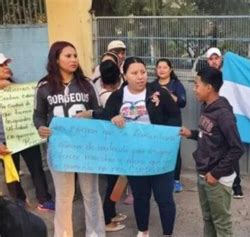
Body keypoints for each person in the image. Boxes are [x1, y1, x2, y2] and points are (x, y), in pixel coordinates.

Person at [33, 41, 105, 237]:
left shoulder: (87, 84)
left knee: (90, 193)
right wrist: (40, 127)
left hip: (86, 148)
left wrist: (89, 113)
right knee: (64, 196)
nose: (73, 60)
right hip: (60, 149)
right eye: (68, 56)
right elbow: (39, 115)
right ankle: (63, 234)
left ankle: (95, 233)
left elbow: (100, 111)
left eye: (75, 56)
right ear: (56, 59)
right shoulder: (44, 86)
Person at [104, 57, 180, 237]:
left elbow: (175, 118)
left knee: (164, 198)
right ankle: (143, 231)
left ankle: (167, 233)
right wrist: (112, 118)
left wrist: (165, 140)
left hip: (159, 157)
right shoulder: (117, 97)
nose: (140, 77)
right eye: (134, 73)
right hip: (134, 158)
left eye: (143, 72)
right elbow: (106, 115)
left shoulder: (159, 93)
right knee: (140, 197)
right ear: (125, 75)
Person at [180, 66, 244, 237]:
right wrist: (191, 134)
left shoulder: (223, 114)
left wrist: (215, 174)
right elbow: (207, 135)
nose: (194, 89)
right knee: (208, 219)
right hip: (203, 173)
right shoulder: (206, 107)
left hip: (217, 178)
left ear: (209, 88)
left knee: (221, 224)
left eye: (196, 85)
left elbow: (237, 148)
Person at [0, 53, 55, 211]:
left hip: (25, 137)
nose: (6, 68)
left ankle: (44, 199)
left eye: (6, 64)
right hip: (5, 141)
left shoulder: (18, 87)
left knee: (37, 168)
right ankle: (19, 203)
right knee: (12, 174)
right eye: (2, 66)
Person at [91, 60, 127, 232]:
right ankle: (106, 218)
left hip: (108, 144)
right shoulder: (114, 96)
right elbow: (107, 117)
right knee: (114, 182)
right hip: (113, 146)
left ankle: (111, 212)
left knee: (116, 181)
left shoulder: (97, 89)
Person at [206, 47, 244, 199]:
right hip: (212, 119)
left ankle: (237, 184)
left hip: (226, 119)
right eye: (211, 58)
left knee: (231, 149)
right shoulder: (205, 76)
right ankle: (215, 177)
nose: (214, 61)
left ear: (221, 59)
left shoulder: (230, 75)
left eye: (216, 58)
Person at [154, 58, 187, 193]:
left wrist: (167, 94)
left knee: (174, 151)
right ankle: (158, 178)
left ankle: (176, 180)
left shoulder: (176, 84)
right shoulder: (152, 85)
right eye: (159, 67)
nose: (161, 70)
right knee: (158, 150)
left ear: (170, 70)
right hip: (157, 121)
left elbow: (182, 102)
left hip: (173, 121)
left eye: (165, 67)